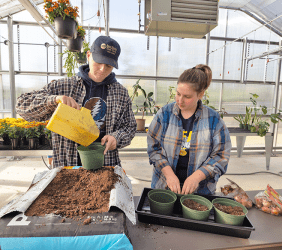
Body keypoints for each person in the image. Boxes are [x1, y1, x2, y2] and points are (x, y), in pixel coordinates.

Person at [16, 36, 137, 168]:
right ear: (88, 55)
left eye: (108, 66)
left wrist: (116, 138)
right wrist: (54, 100)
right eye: (98, 62)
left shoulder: (120, 93)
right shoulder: (63, 86)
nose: (102, 69)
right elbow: (22, 105)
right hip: (67, 166)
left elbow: (129, 127)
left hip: (106, 166)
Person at [147, 64, 231, 195]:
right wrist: (169, 174)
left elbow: (221, 155)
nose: (180, 100)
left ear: (201, 94)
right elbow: (154, 148)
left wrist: (197, 177)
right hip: (163, 187)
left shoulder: (213, 120)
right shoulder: (164, 115)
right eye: (178, 94)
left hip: (200, 191)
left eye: (187, 96)